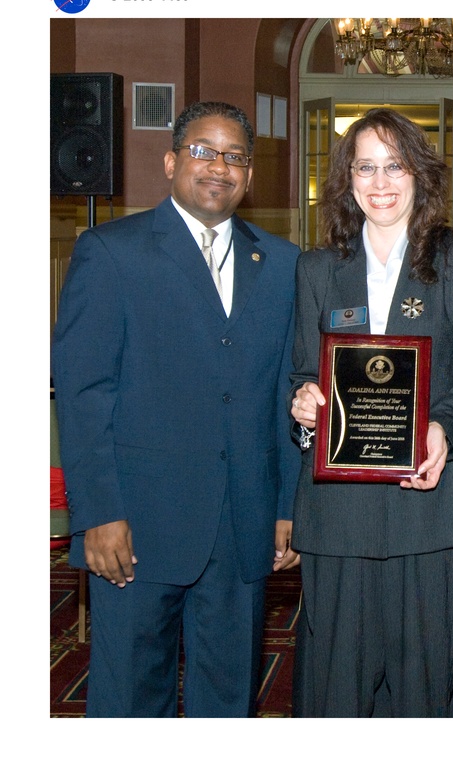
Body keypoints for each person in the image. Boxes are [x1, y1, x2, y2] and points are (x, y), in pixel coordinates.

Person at [51, 101, 302, 717]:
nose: (219, 167)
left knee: (228, 700)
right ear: (170, 162)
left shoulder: (282, 264)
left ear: (249, 173)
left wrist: (286, 507)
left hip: (243, 522)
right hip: (137, 523)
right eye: (202, 151)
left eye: (234, 156)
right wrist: (98, 513)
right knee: (131, 700)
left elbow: (285, 393)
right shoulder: (111, 251)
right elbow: (84, 395)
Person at [289, 108, 453, 717]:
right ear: (347, 179)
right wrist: (303, 404)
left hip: (431, 509)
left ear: (419, 174)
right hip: (339, 515)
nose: (380, 183)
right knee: (336, 692)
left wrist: (443, 427)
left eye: (395, 166)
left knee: (422, 692)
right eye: (366, 168)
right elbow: (303, 373)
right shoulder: (317, 268)